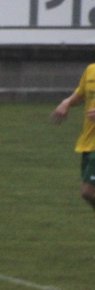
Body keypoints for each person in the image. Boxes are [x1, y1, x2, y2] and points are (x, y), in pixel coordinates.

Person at [50, 63, 95, 213]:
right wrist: (67, 102)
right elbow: (81, 94)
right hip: (88, 143)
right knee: (88, 194)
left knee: (87, 191)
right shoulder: (90, 70)